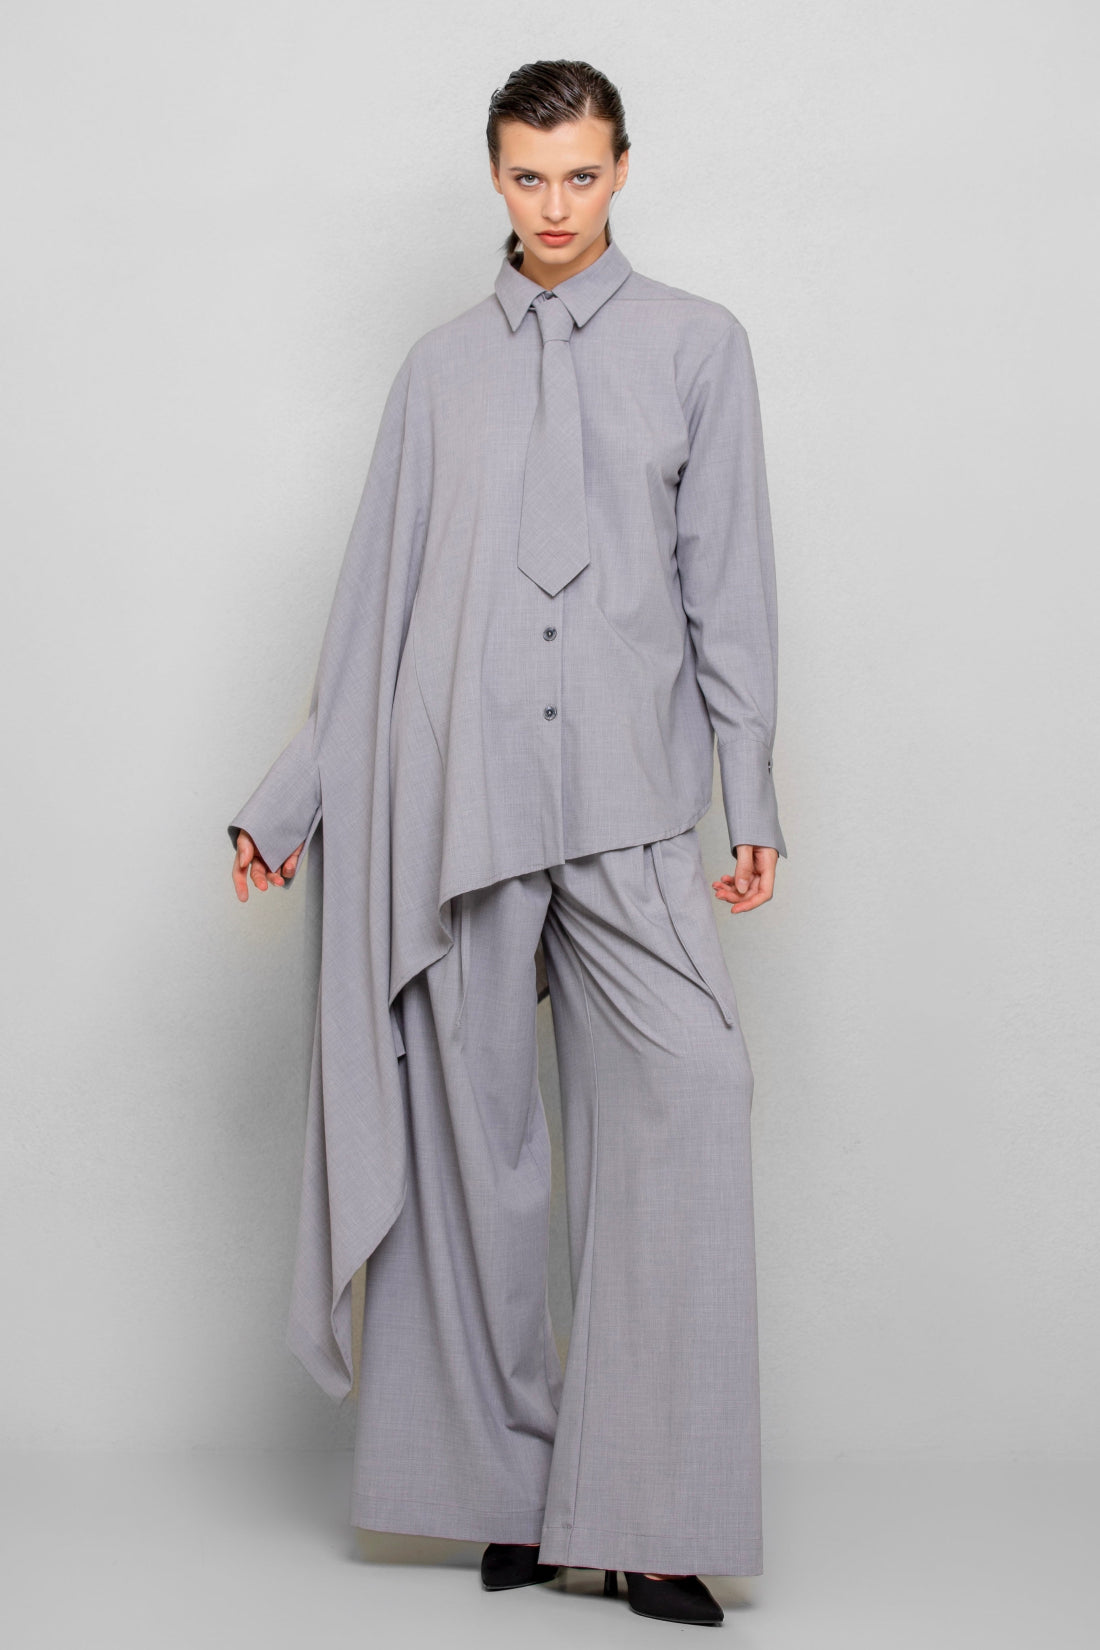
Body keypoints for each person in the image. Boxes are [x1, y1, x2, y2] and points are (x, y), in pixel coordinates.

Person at [228, 59, 788, 1629]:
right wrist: (290, 803)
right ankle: (514, 1497)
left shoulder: (698, 347)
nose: (555, 207)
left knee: (689, 1094)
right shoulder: (437, 374)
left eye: (581, 176)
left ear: (623, 170)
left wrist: (748, 795)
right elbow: (375, 601)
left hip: (627, 803)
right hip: (459, 803)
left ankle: (652, 1514)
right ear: (495, 175)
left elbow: (729, 588)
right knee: (474, 1155)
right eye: (530, 178)